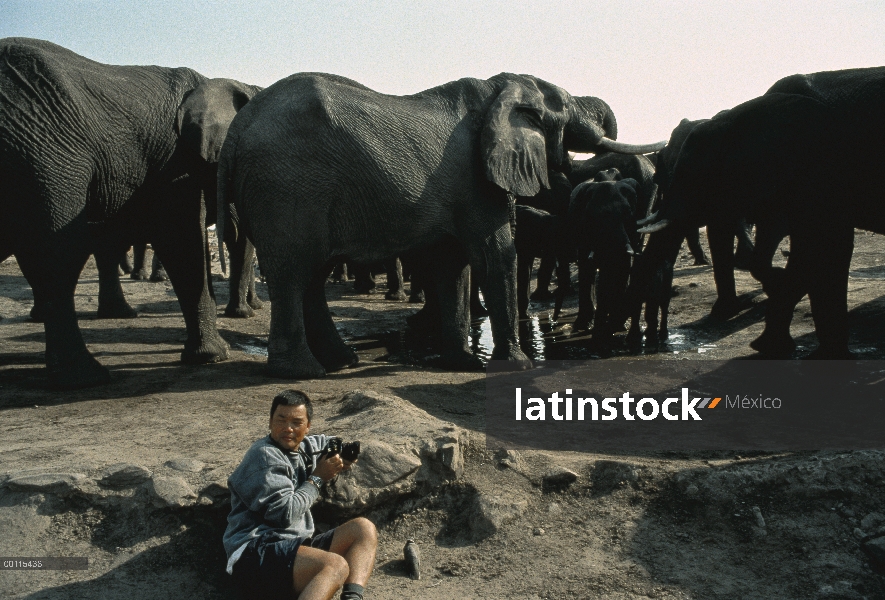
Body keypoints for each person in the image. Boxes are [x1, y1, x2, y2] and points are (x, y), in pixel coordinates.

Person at [224, 390, 377, 600]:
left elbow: (327, 441)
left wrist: (342, 454)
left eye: (297, 422)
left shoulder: (305, 446)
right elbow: (283, 515)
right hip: (255, 552)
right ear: (269, 422)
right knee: (335, 565)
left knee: (363, 528)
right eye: (281, 420)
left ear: (307, 427)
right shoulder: (264, 455)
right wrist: (317, 478)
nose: (288, 428)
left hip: (295, 549)